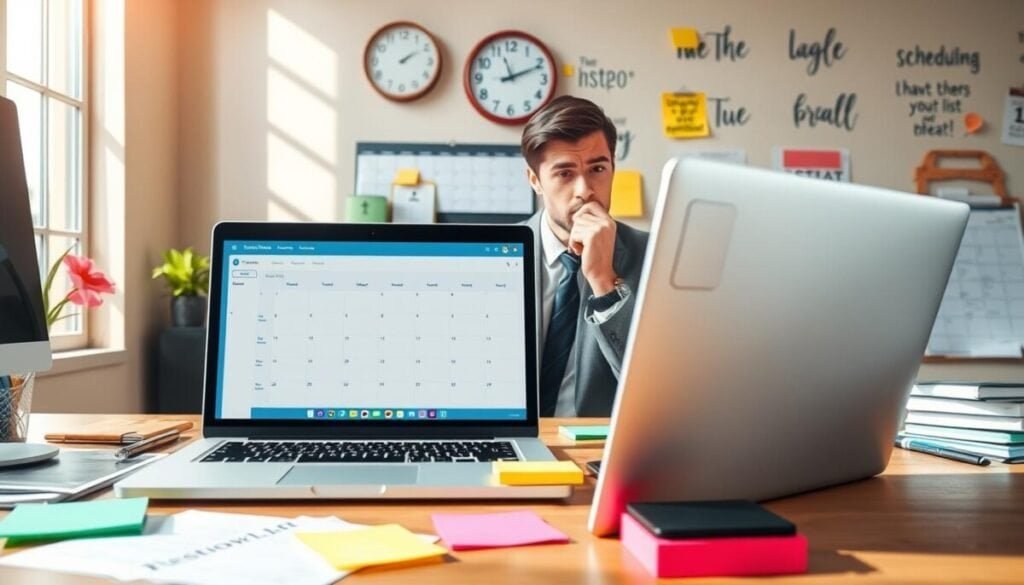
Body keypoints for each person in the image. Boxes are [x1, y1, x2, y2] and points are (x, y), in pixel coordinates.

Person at [521, 95, 649, 417]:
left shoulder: (655, 258)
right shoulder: (492, 256)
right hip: (506, 441)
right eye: (564, 173)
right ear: (535, 180)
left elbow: (658, 399)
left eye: (598, 168)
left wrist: (604, 281)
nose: (585, 189)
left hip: (595, 450)